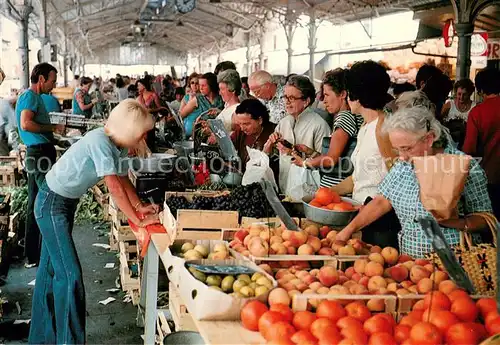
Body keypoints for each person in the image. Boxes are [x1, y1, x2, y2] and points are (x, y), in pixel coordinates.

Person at [28, 99, 160, 344]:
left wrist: (140, 206)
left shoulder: (115, 146)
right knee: (70, 276)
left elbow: (123, 179)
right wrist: (137, 220)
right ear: (130, 130)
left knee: (49, 274)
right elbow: (114, 188)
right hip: (51, 205)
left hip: (62, 204)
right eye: (142, 133)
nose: (144, 138)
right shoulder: (100, 141)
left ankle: (41, 338)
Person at [336, 105, 493, 258]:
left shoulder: (464, 166)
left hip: (454, 264)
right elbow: (382, 201)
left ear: (429, 139)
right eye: (398, 149)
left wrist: (456, 223)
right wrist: (348, 230)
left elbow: (485, 218)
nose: (402, 156)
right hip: (411, 265)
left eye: (407, 148)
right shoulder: (403, 165)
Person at [331, 60, 399, 248]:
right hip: (361, 217)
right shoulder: (364, 127)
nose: (346, 98)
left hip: (381, 223)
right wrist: (327, 194)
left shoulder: (384, 128)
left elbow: (396, 180)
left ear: (358, 95)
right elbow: (359, 178)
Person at [15, 63, 63, 267]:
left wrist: (54, 138)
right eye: (52, 80)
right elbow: (26, 123)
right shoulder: (30, 96)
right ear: (41, 79)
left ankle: (33, 254)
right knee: (46, 201)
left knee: (36, 201)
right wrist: (51, 128)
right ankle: (43, 253)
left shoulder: (36, 98)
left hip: (41, 152)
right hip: (38, 155)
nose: (54, 85)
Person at [291, 69, 364, 187]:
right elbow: (341, 158)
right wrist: (310, 152)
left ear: (342, 94)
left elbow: (331, 159)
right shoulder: (354, 117)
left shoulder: (345, 117)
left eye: (326, 95)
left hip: (338, 190)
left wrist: (304, 163)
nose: (324, 101)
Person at [263, 75, 331, 192]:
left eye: (292, 98)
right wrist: (270, 144)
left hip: (309, 192)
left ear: (306, 101)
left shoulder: (319, 125)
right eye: (285, 97)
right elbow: (271, 156)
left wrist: (299, 155)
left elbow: (326, 162)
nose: (287, 102)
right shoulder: (283, 123)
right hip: (285, 188)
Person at [463, 68, 500, 220]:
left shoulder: (477, 113)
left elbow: (469, 149)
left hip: (490, 178)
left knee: (492, 223)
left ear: (480, 90)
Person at [232, 99, 276, 170]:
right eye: (240, 124)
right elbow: (228, 146)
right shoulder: (240, 132)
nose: (242, 128)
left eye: (246, 124)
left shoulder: (274, 132)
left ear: (260, 120)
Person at [180, 72, 224, 138]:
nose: (200, 88)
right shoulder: (197, 99)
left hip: (219, 136)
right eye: (200, 85)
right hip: (200, 138)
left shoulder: (222, 99)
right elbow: (180, 115)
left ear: (211, 85)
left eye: (203, 85)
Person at [440, 79, 475, 148]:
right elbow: (439, 123)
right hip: (449, 143)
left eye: (464, 94)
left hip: (466, 144)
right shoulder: (449, 105)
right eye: (459, 94)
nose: (461, 97)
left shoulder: (474, 107)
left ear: (470, 93)